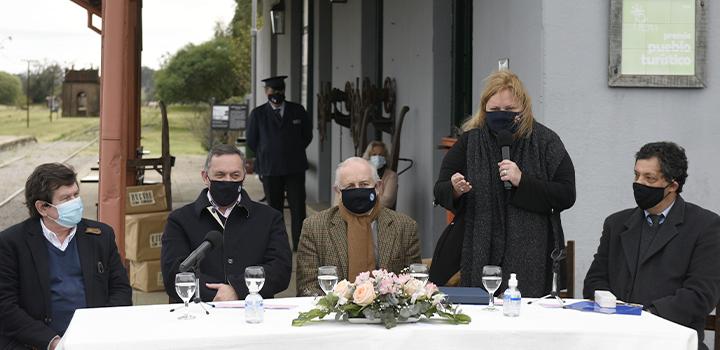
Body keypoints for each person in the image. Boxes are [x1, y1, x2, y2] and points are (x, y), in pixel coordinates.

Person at [432, 70, 576, 297]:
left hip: (531, 253)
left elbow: (567, 194)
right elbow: (440, 190)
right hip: (479, 249)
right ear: (484, 109)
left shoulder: (546, 142)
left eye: (509, 110)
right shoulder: (469, 142)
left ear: (524, 109)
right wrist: (455, 189)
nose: (502, 115)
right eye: (495, 110)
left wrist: (523, 182)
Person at [584, 142, 720, 350]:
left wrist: (648, 316)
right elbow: (595, 280)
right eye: (636, 175)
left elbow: (701, 294)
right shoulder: (616, 223)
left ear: (672, 186)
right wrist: (610, 306)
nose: (639, 183)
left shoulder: (706, 226)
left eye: (650, 178)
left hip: (671, 340)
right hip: (615, 338)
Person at [0, 163, 131, 350]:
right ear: (43, 207)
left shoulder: (101, 235)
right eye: (66, 198)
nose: (75, 202)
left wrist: (101, 331)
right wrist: (52, 342)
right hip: (37, 343)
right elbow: (5, 307)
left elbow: (121, 289)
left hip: (95, 339)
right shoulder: (11, 243)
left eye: (76, 195)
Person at [161, 144, 292, 302]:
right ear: (205, 177)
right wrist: (218, 295)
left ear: (244, 176)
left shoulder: (270, 218)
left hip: (252, 312)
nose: (228, 181)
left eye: (235, 175)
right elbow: (173, 274)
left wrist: (238, 290)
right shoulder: (179, 220)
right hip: (198, 313)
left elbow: (280, 270)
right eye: (220, 175)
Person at [296, 157, 420, 296]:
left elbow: (414, 285)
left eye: (364, 184)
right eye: (349, 186)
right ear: (338, 191)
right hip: (334, 313)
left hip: (388, 314)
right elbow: (307, 286)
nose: (358, 191)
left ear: (378, 187)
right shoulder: (315, 227)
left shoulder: (404, 227)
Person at [246, 75, 313, 251]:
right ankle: (279, 245)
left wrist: (291, 150)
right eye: (272, 91)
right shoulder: (258, 114)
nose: (276, 94)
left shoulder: (297, 110)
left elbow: (307, 136)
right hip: (270, 168)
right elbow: (252, 141)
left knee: (298, 207)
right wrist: (268, 152)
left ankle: (301, 245)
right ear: (266, 92)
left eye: (279, 90)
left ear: (284, 91)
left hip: (294, 167)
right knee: (274, 209)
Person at [362, 141, 398, 209]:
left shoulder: (391, 176)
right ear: (369, 157)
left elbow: (387, 202)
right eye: (374, 154)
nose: (378, 157)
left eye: (381, 155)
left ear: (385, 158)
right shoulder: (362, 175)